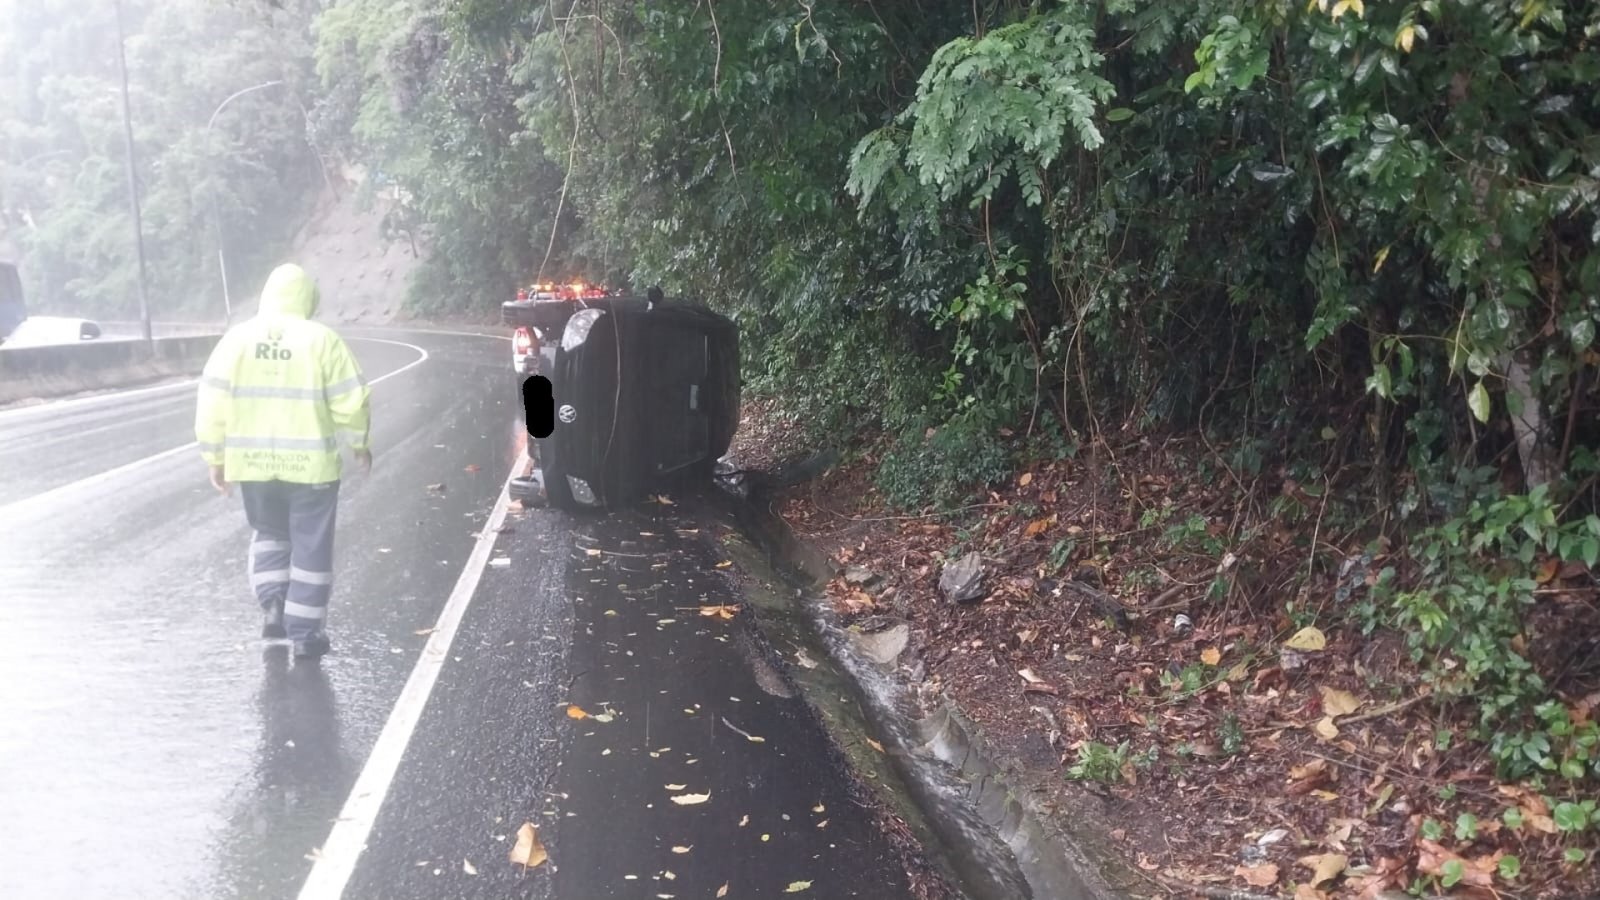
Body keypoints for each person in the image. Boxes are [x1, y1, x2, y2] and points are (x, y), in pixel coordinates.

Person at [195, 263, 372, 660]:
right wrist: (360, 445)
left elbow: (212, 402)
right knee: (309, 548)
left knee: (270, 533)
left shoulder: (236, 340)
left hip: (254, 466)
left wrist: (216, 457)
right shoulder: (322, 340)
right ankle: (306, 635)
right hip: (311, 470)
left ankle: (273, 605)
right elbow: (352, 400)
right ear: (308, 298)